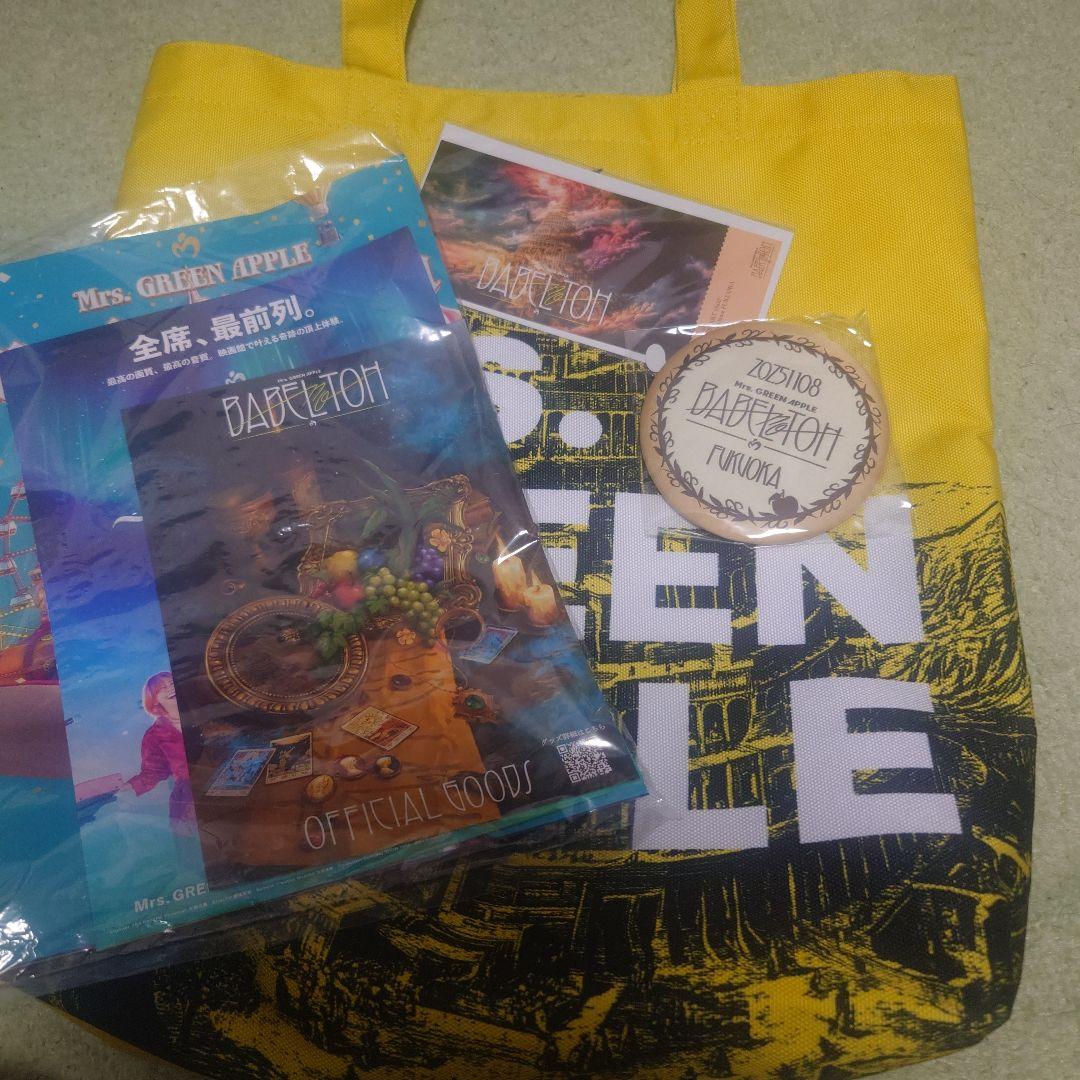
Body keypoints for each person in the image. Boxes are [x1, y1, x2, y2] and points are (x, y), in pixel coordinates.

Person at [121, 671, 196, 835]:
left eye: (172, 682)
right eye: (162, 687)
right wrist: (125, 787)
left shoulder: (202, 711)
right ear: (154, 700)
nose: (170, 688)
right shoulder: (154, 735)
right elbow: (153, 771)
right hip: (189, 799)